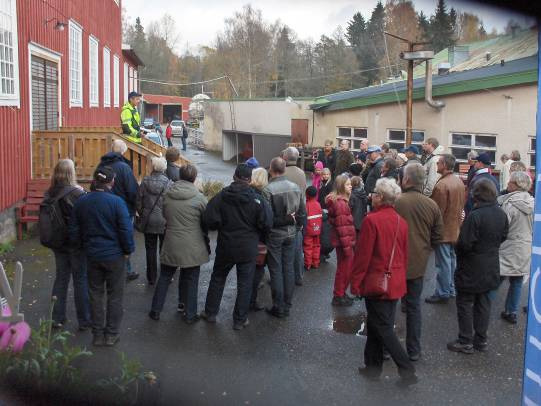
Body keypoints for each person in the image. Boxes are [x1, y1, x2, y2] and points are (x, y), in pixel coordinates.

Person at [350, 178, 417, 386]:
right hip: (394, 281)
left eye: (375, 193)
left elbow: (363, 257)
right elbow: (404, 255)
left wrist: (356, 283)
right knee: (376, 324)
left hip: (377, 282)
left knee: (384, 327)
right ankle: (372, 367)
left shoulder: (372, 220)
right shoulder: (401, 222)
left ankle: (407, 371)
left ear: (380, 198)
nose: (372, 196)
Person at [69, 166, 135, 347]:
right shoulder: (116, 203)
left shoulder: (82, 202)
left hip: (92, 255)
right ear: (111, 182)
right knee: (115, 295)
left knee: (95, 294)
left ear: (95, 180)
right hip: (114, 256)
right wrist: (128, 250)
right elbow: (125, 230)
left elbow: (74, 231)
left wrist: (82, 247)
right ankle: (111, 334)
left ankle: (97, 335)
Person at [202, 164, 272, 330]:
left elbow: (208, 219)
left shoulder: (221, 196)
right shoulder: (257, 199)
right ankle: (240, 320)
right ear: (249, 179)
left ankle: (210, 313)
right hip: (248, 247)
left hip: (226, 245)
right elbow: (267, 223)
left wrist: (222, 225)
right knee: (245, 283)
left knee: (218, 277)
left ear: (234, 176)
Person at [448, 179, 508, 354]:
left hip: (471, 266)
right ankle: (480, 340)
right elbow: (504, 235)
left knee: (465, 302)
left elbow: (465, 244)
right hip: (491, 264)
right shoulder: (500, 213)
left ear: (477, 195)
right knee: (483, 303)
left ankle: (465, 340)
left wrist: (456, 244)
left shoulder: (475, 215)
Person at [395, 163, 443, 361]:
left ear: (406, 180)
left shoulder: (396, 201)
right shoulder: (431, 205)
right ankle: (414, 350)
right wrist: (424, 248)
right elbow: (438, 237)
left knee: (388, 306)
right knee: (414, 307)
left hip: (394, 262)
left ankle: (384, 347)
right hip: (417, 264)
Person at [149, 164, 209, 324]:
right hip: (193, 244)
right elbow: (207, 219)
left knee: (165, 276)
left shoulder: (168, 196)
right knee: (191, 277)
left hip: (171, 241)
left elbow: (164, 214)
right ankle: (189, 314)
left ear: (180, 176)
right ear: (194, 178)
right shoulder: (200, 198)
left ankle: (155, 310)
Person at [46, 159, 91, 331]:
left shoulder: (50, 192)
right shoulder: (77, 194)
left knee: (61, 278)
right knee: (80, 279)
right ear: (71, 173)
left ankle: (56, 318)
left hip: (58, 242)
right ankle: (84, 320)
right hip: (76, 243)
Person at [263, 157, 305, 318]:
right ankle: (287, 305)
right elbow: (302, 211)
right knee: (288, 268)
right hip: (291, 233)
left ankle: (279, 306)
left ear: (271, 170)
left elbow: (267, 218)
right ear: (285, 169)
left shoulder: (268, 189)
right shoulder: (295, 187)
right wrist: (298, 226)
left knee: (276, 269)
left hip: (275, 235)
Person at [426, 155, 466, 304]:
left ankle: (443, 292)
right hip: (454, 228)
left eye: (439, 162)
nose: (436, 164)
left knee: (443, 263)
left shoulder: (442, 185)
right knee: (450, 261)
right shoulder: (458, 182)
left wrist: (432, 230)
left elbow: (437, 212)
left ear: (444, 164)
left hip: (443, 230)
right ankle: (450, 288)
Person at [98, 139, 139, 281]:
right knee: (124, 238)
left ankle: (105, 268)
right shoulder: (124, 168)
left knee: (106, 236)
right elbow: (132, 191)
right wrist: (135, 207)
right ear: (122, 152)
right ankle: (126, 270)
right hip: (124, 210)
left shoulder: (101, 166)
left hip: (102, 208)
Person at [497, 171, 534, 324]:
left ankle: (482, 307)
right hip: (525, 246)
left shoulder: (509, 203)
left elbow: (502, 227)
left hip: (508, 245)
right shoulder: (534, 202)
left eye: (510, 182)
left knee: (497, 277)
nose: (507, 184)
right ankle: (511, 311)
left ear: (517, 185)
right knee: (517, 279)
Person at [136, 157, 172, 285]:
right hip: (164, 220)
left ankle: (151, 277)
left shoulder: (145, 181)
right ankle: (165, 276)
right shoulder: (168, 183)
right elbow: (170, 203)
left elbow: (138, 202)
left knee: (150, 249)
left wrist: (143, 213)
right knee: (164, 249)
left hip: (149, 220)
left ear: (153, 167)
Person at [326, 175, 356, 306]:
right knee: (344, 269)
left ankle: (341, 293)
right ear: (341, 187)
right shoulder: (341, 204)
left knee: (344, 269)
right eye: (348, 184)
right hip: (344, 243)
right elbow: (342, 228)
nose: (351, 186)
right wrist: (348, 248)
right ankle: (339, 295)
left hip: (342, 242)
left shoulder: (339, 202)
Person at [249, 167, 273, 311]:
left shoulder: (246, 192)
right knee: (256, 272)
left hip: (243, 240)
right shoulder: (262, 198)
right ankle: (251, 302)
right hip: (258, 241)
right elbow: (267, 223)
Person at [282, 147, 307, 286]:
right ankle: (298, 276)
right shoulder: (302, 173)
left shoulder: (281, 172)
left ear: (285, 158)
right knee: (298, 247)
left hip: (283, 215)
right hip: (298, 214)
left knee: (282, 249)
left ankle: (282, 277)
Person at [303, 186, 323, 271]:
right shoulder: (318, 204)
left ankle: (308, 264)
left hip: (309, 231)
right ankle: (315, 262)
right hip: (317, 229)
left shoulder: (306, 205)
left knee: (308, 247)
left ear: (306, 195)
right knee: (316, 246)